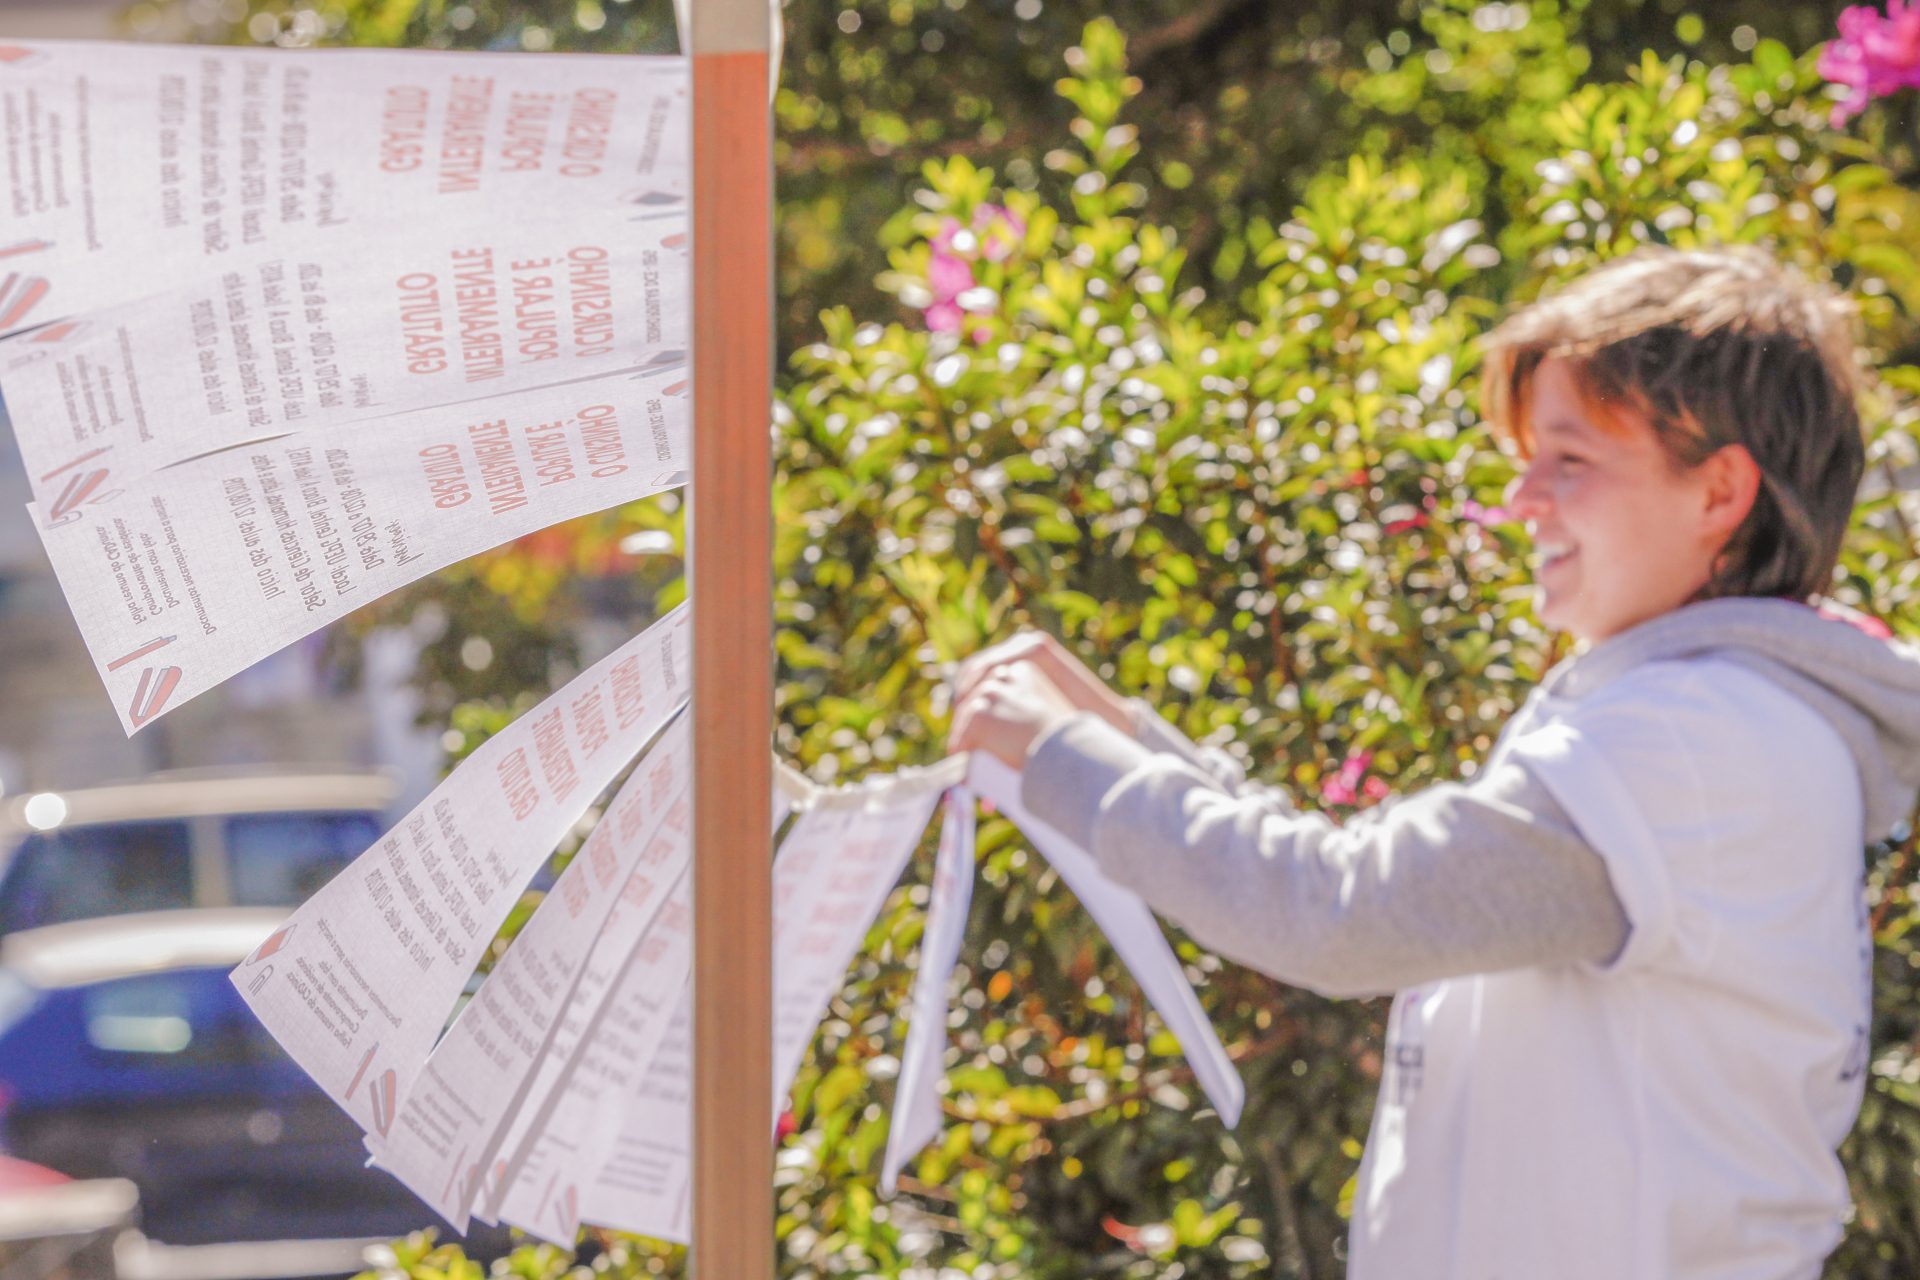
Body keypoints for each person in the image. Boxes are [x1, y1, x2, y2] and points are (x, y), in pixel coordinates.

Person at [947, 245, 1920, 1279]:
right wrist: (1130, 742)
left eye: (1571, 460)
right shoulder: (1709, 716)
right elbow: (1397, 893)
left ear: (1721, 490)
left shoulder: (1689, 739)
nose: (1523, 497)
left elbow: (1341, 912)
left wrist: (1060, 753)